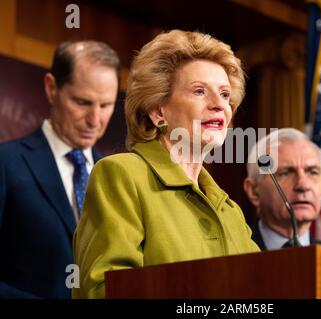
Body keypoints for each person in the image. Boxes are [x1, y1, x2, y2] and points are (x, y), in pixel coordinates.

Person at [73, 29, 260, 299]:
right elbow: (105, 290)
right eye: (199, 91)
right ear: (158, 110)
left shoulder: (230, 211)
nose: (219, 105)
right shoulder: (121, 175)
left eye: (224, 94)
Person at [0, 41, 120, 298]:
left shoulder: (116, 180)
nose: (95, 120)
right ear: (52, 88)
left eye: (106, 105)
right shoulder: (6, 163)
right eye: (83, 102)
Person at [243, 128, 321, 250]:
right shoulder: (235, 252)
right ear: (254, 191)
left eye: (312, 172)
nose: (303, 186)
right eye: (286, 173)